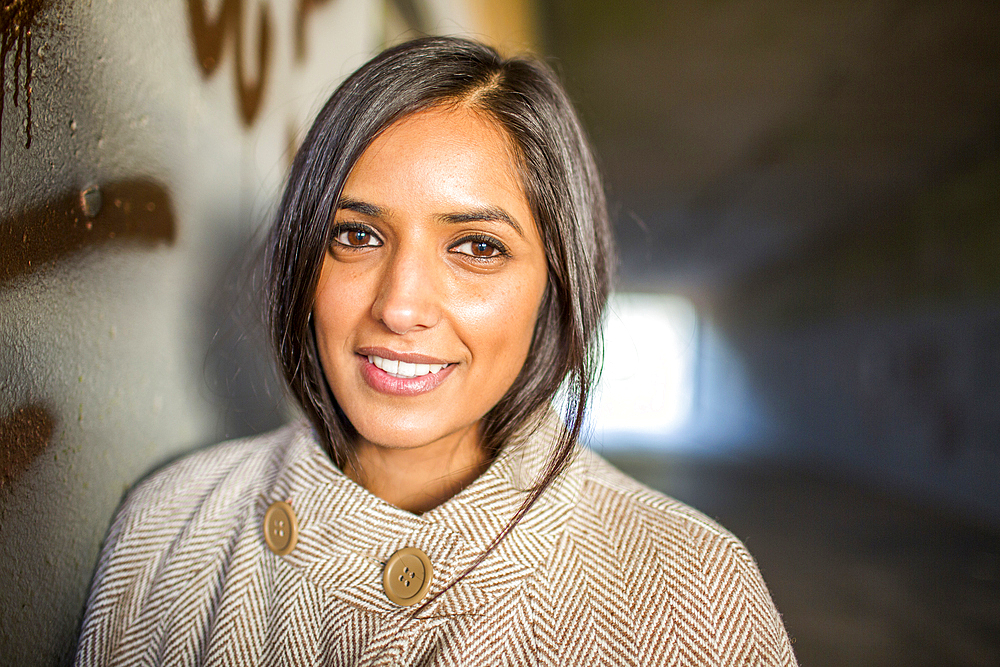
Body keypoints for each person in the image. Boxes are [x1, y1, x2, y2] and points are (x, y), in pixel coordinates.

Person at [75, 37, 797, 665]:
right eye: (356, 234)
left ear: (556, 282)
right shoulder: (170, 525)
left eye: (477, 247)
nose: (401, 305)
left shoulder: (692, 587)